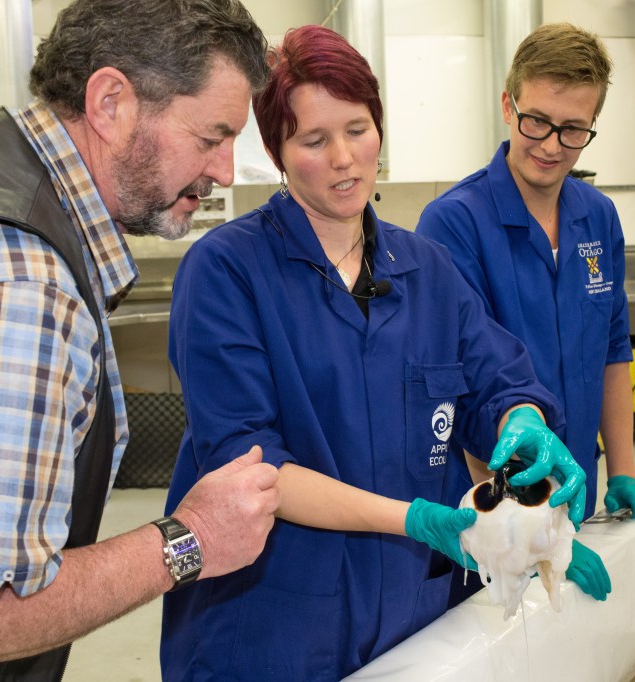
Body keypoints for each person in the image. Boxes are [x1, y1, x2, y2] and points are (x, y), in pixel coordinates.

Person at [0, 1, 281, 678]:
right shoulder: (13, 282)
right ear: (110, 102)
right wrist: (190, 540)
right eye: (210, 138)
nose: (226, 171)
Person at [160, 25, 586, 682]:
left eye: (357, 129)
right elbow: (249, 467)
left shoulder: (425, 269)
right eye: (313, 139)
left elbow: (494, 380)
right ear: (276, 149)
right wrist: (415, 520)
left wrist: (519, 421)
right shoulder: (226, 271)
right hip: (274, 624)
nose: (342, 158)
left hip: (417, 612)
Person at [417, 22, 635, 600]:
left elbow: (613, 349)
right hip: (495, 521)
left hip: (574, 494)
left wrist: (623, 468)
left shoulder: (597, 218)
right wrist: (534, 536)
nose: (552, 145)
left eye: (573, 129)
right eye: (538, 121)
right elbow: (460, 389)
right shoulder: (453, 224)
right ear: (509, 105)